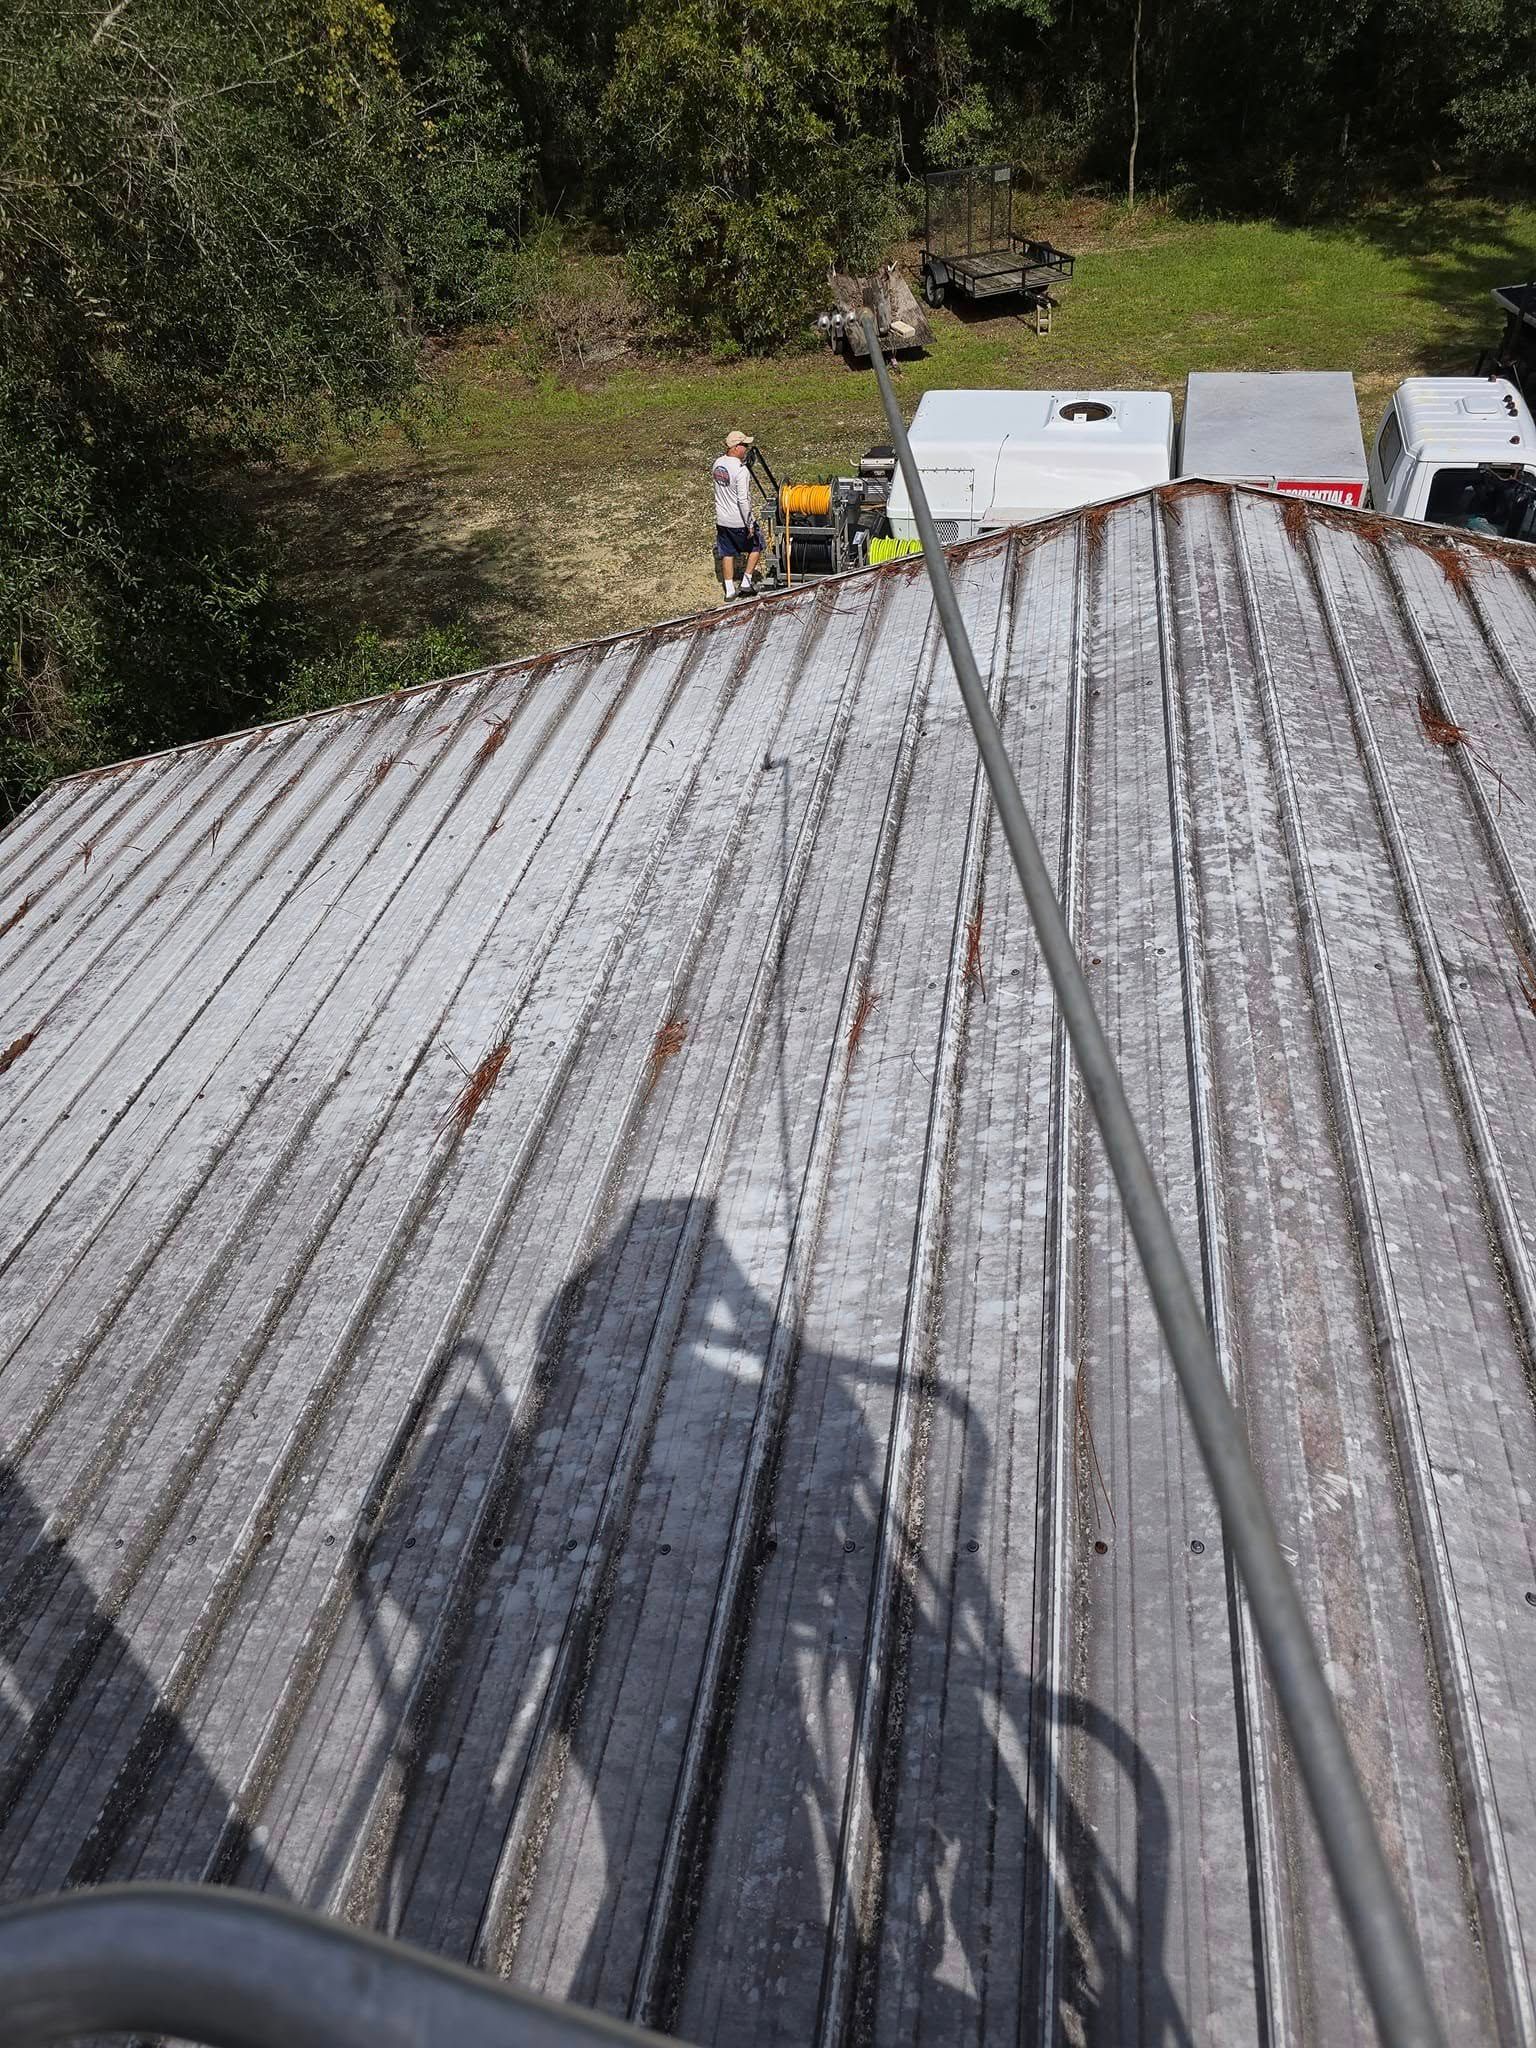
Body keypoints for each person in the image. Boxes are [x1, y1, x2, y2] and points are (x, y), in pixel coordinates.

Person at [712, 429, 764, 601]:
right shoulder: (741, 470)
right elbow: (743, 500)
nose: (746, 449)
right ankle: (746, 581)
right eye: (744, 445)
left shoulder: (718, 463)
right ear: (735, 447)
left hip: (722, 519)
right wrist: (749, 523)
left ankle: (729, 590)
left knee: (727, 553)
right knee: (756, 546)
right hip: (738, 520)